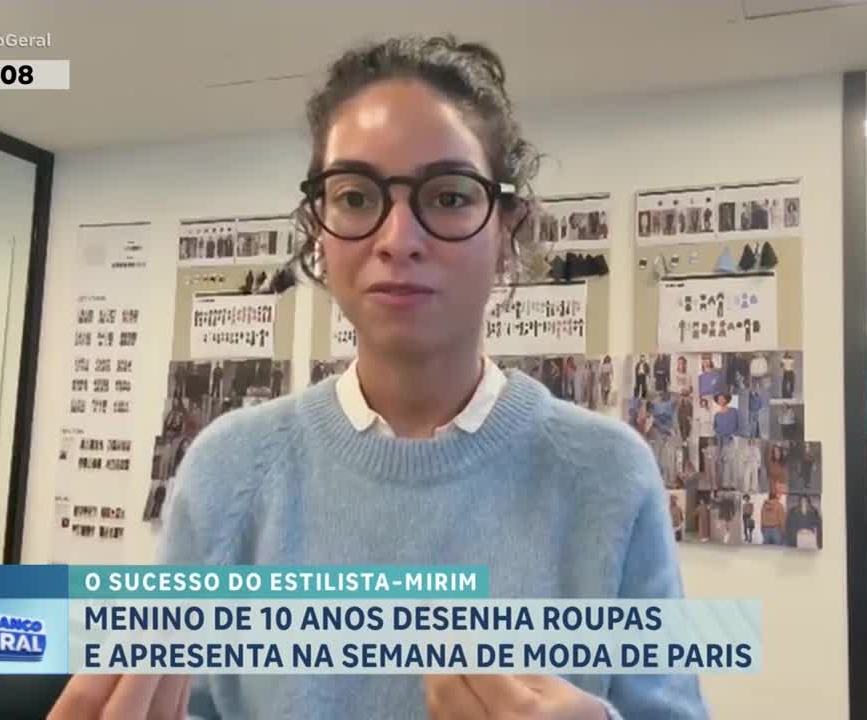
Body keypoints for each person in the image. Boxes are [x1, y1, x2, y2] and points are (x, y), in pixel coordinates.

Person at [49, 35, 704, 720]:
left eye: (449, 196)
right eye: (357, 196)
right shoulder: (229, 470)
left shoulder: (606, 475)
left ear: (508, 230)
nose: (397, 238)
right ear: (318, 230)